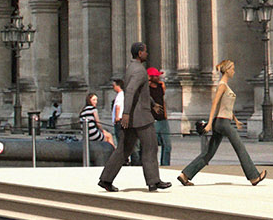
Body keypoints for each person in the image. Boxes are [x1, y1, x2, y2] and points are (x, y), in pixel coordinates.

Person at [179, 58, 264, 186]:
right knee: (240, 148)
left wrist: (235, 120)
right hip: (222, 122)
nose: (234, 71)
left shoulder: (225, 86)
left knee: (209, 152)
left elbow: (226, 106)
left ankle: (185, 175)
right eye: (233, 69)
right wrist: (209, 123)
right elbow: (215, 104)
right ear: (227, 70)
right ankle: (254, 176)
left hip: (223, 121)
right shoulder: (222, 86)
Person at [98, 42, 166, 191]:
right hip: (141, 118)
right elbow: (130, 91)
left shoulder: (131, 69)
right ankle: (153, 181)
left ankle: (106, 179)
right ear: (140, 53)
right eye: (145, 51)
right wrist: (126, 113)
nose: (147, 54)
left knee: (123, 149)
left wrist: (153, 103)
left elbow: (141, 92)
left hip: (134, 117)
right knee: (150, 148)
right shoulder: (140, 71)